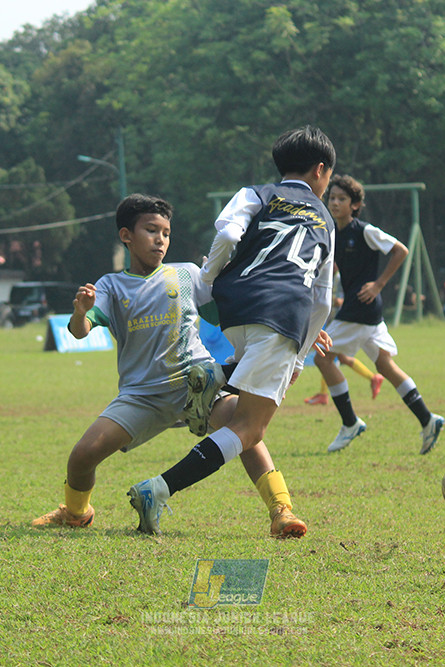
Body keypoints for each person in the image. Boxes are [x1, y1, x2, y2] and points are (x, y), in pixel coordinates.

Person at [31, 194, 298, 537]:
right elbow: (79, 332)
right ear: (126, 235)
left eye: (166, 233)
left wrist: (277, 319)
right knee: (82, 457)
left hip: (197, 385)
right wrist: (81, 312)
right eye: (151, 230)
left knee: (243, 426)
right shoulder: (111, 286)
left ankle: (281, 511)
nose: (160, 240)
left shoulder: (187, 275)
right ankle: (76, 512)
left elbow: (225, 316)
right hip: (142, 395)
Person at [127, 125, 337, 537]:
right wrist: (299, 355)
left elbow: (227, 233)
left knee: (249, 382)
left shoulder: (257, 192)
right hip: (284, 314)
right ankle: (159, 489)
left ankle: (219, 374)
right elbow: (324, 300)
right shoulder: (326, 220)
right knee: (249, 428)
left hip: (234, 305)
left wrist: (209, 276)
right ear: (320, 170)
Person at [313, 174, 444, 455]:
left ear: (355, 205)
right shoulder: (335, 233)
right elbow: (340, 267)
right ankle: (427, 419)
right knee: (384, 366)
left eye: (342, 199)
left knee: (322, 357)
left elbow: (400, 250)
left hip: (361, 307)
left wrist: (379, 284)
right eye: (332, 198)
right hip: (362, 309)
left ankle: (350, 422)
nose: (335, 203)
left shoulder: (365, 231)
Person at [305, 284, 383, 405]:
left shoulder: (340, 278)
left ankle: (324, 394)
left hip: (343, 323)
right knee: (339, 358)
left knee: (326, 357)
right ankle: (373, 378)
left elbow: (347, 299)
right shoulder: (330, 275)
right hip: (334, 322)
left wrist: (334, 301)